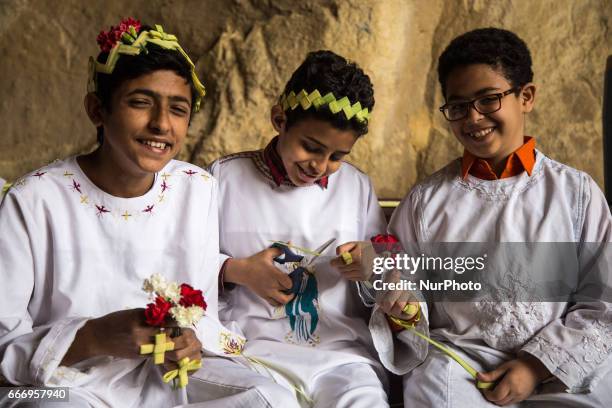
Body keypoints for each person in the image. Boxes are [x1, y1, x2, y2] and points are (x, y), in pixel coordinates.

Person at [0, 18, 297, 408]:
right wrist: (92, 337)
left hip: (168, 375)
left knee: (267, 398)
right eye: (140, 102)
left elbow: (203, 306)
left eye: (178, 109)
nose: (161, 124)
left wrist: (190, 339)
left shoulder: (196, 187)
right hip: (62, 382)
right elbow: (4, 348)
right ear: (97, 110)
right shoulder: (32, 200)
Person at [365, 27, 612, 407]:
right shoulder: (425, 202)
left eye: (488, 100)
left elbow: (603, 303)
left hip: (561, 365)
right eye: (458, 106)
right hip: (461, 363)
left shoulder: (576, 194)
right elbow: (403, 286)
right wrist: (403, 306)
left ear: (526, 97)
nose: (473, 118)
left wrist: (534, 366)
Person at [208, 50, 389, 407]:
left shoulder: (357, 187)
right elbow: (186, 264)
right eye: (311, 147)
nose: (320, 165)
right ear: (280, 119)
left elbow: (383, 270)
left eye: (337, 156)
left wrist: (371, 265)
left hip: (341, 356)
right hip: (247, 353)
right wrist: (238, 271)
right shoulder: (223, 178)